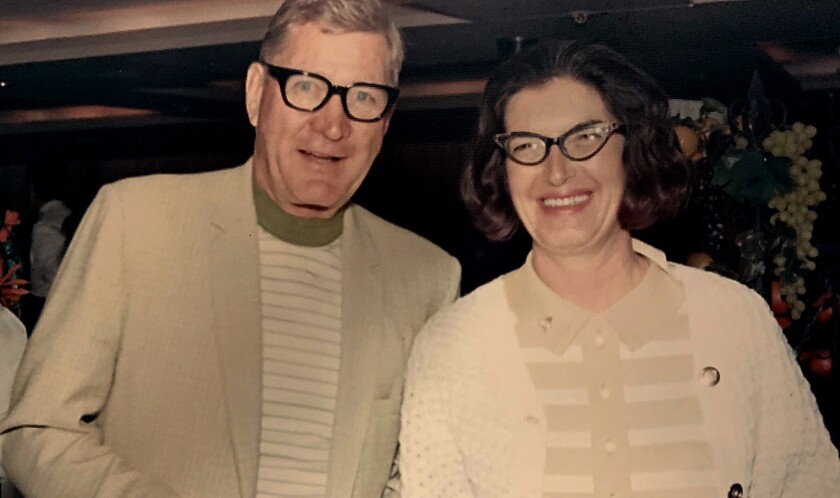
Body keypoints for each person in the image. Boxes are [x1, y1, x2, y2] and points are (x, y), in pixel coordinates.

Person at [0, 1, 460, 497]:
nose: (333, 125)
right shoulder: (136, 223)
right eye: (306, 87)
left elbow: (415, 474)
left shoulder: (426, 277)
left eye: (364, 97)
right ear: (256, 94)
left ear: (386, 121)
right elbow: (38, 431)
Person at [399, 40, 840, 498]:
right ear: (503, 168)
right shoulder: (451, 348)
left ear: (632, 150)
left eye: (585, 137)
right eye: (527, 145)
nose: (556, 172)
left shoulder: (733, 319)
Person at [23, 159, 73, 332]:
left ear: (33, 190)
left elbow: (50, 272)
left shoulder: (44, 227)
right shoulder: (71, 216)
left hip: (47, 302)